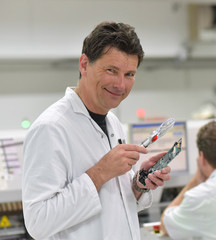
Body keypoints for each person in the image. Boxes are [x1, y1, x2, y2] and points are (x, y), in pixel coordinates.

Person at [22, 21, 171, 240]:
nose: (121, 84)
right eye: (112, 70)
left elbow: (113, 205)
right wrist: (100, 172)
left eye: (129, 74)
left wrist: (139, 184)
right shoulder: (51, 128)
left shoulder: (113, 123)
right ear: (84, 64)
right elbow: (37, 222)